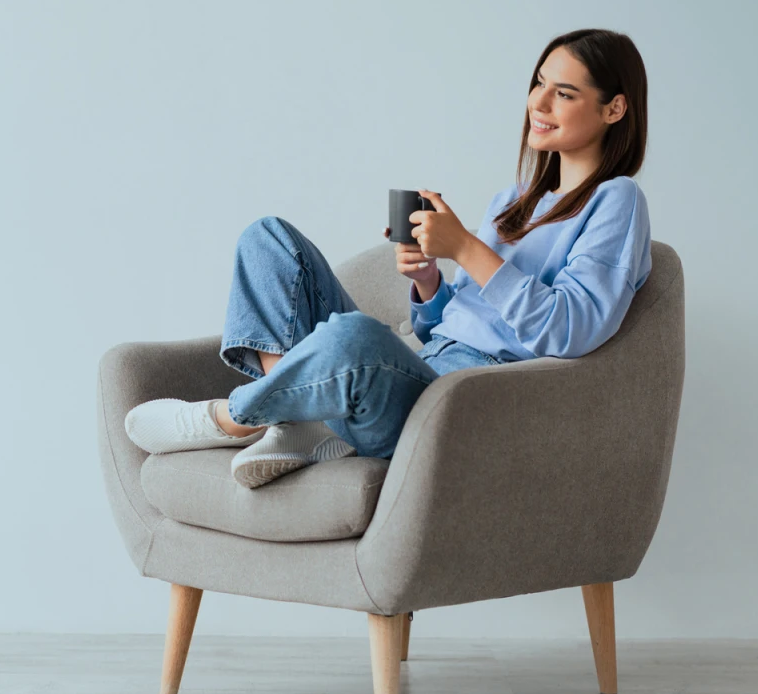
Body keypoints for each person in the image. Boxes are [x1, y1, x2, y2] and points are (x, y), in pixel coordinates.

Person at [125, 27, 653, 489]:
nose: (538, 104)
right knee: (267, 239)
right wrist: (428, 281)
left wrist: (466, 248)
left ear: (614, 108)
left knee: (352, 335)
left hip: (461, 403)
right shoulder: (513, 201)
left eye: (563, 93)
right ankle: (294, 422)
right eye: (538, 83)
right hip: (422, 367)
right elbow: (441, 328)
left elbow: (573, 330)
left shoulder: (616, 200)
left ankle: (237, 418)